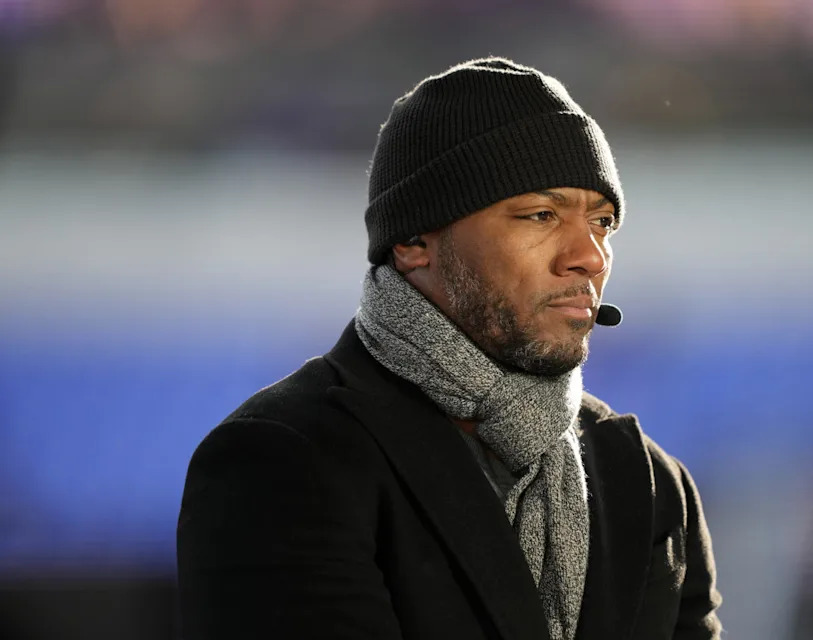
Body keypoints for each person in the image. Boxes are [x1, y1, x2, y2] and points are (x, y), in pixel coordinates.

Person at [177, 57, 722, 640]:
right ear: (414, 241)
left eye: (603, 221)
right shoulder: (283, 459)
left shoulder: (650, 483)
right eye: (541, 215)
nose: (589, 256)